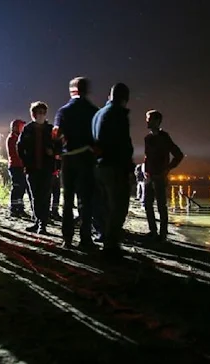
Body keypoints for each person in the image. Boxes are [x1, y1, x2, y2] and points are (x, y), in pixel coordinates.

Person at [53, 77, 99, 247]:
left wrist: (59, 152)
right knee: (85, 200)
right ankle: (85, 238)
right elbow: (98, 138)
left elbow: (56, 135)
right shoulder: (94, 111)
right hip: (87, 159)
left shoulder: (63, 111)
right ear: (87, 90)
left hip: (68, 159)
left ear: (71, 90)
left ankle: (67, 239)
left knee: (68, 199)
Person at [91, 83, 135, 258]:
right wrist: (129, 169)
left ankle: (104, 239)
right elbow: (123, 145)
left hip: (99, 167)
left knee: (104, 206)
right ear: (125, 99)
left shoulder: (98, 114)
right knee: (118, 207)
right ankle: (110, 246)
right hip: (114, 167)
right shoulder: (118, 114)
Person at [143, 110, 184, 242]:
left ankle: (162, 233)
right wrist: (145, 168)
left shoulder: (164, 137)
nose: (147, 121)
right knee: (148, 204)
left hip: (160, 177)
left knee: (161, 205)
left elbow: (178, 154)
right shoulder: (148, 138)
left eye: (149, 119)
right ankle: (153, 231)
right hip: (149, 177)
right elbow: (147, 156)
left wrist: (167, 169)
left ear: (157, 121)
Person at [17, 101, 56, 235]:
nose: (40, 115)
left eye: (43, 113)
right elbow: (20, 147)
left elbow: (59, 146)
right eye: (38, 112)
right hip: (32, 168)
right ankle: (37, 220)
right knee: (35, 196)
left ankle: (42, 223)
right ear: (33, 114)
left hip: (47, 169)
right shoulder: (28, 129)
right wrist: (26, 161)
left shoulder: (51, 129)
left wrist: (53, 153)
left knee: (45, 195)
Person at [6, 119, 29, 217]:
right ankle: (14, 208)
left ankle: (19, 207)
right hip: (16, 166)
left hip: (19, 166)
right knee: (17, 187)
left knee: (21, 188)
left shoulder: (16, 137)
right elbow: (17, 153)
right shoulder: (12, 138)